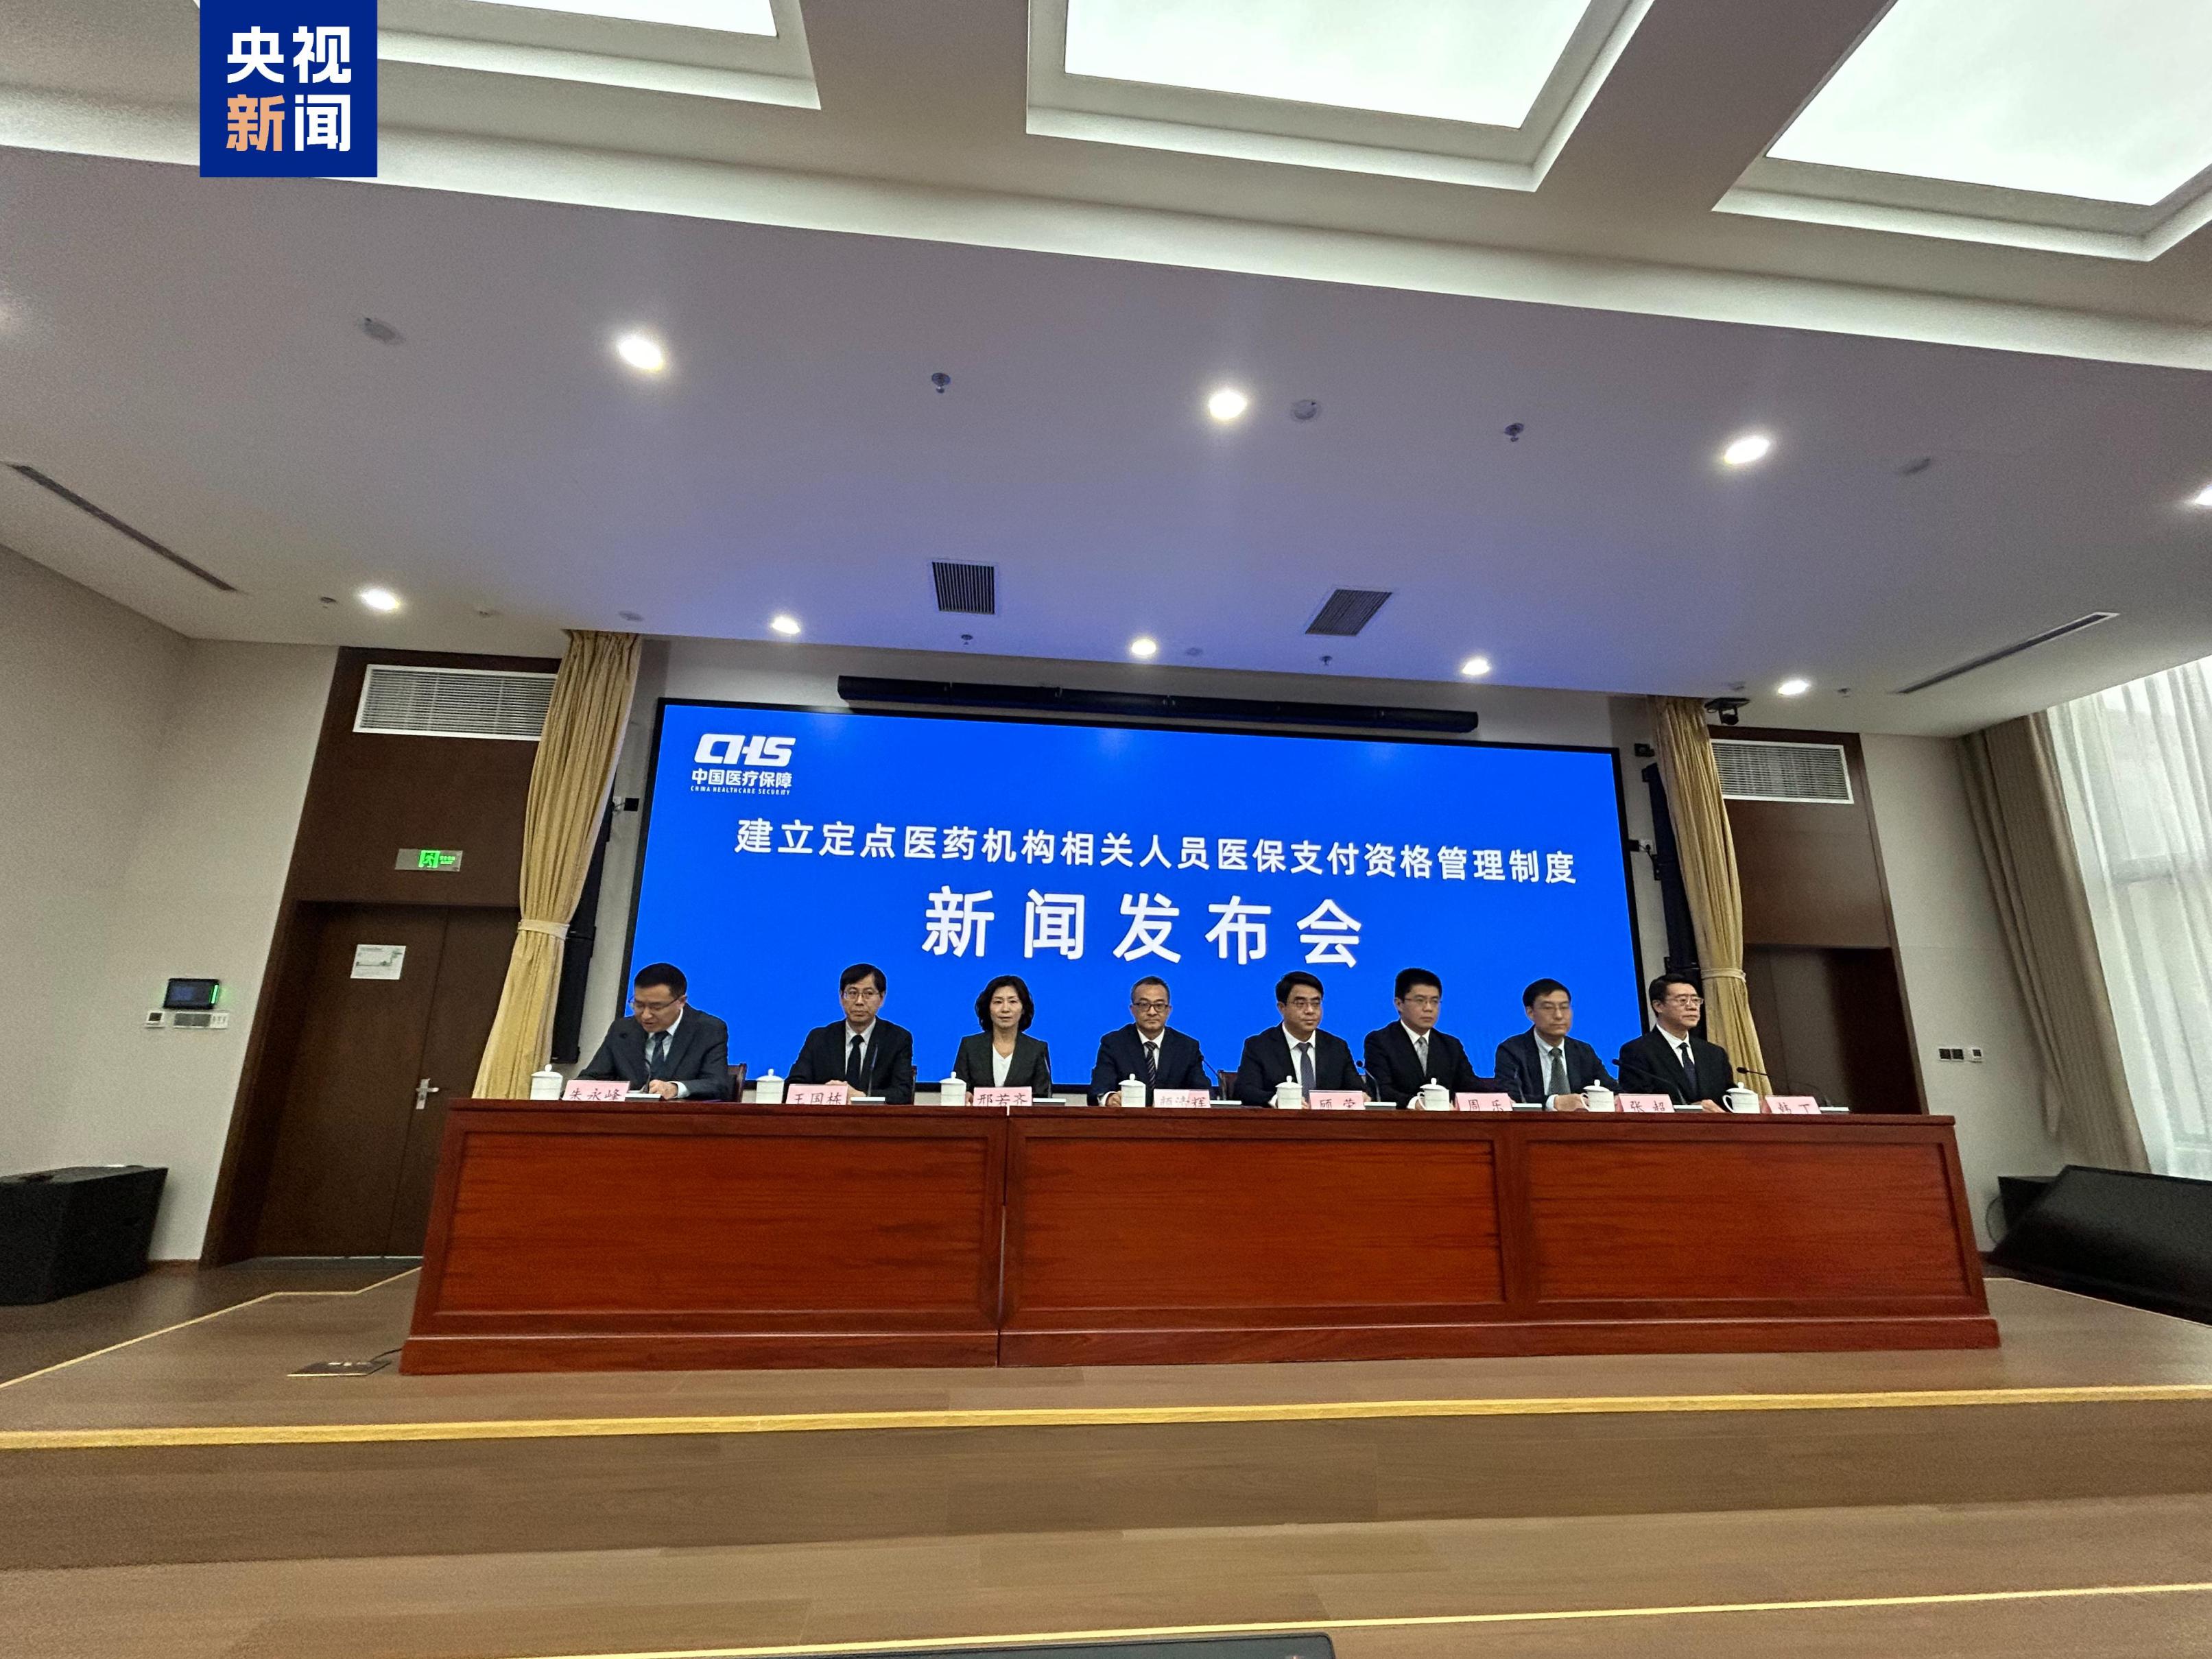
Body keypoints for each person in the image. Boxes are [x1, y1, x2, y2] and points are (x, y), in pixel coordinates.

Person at [577, 962, 729, 1099]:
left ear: (681, 1002)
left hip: (681, 1117)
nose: (646, 1015)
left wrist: (675, 1088)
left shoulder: (708, 1029)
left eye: (656, 1007)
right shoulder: (622, 1029)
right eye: (639, 1005)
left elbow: (717, 1084)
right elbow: (591, 1077)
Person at [1362, 967, 1496, 1106]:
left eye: (1435, 1001)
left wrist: (1499, 1097)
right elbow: (1381, 1090)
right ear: (1399, 1004)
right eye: (1420, 1001)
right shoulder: (1380, 1041)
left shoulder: (1450, 1045)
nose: (1429, 1008)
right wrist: (1416, 1103)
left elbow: (1470, 1086)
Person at [788, 962, 915, 1102]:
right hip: (828, 1115)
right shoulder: (819, 1038)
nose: (859, 1002)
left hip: (875, 1116)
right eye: (852, 993)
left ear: (882, 998)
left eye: (868, 994)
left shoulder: (897, 1039)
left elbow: (903, 1093)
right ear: (841, 997)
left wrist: (861, 1096)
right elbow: (793, 1086)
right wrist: (828, 1093)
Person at [1235, 971, 1361, 1105]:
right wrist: (1279, 1101)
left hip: (1327, 1118)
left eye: (1316, 1004)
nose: (1310, 1011)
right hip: (1280, 1118)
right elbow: (1245, 1091)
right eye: (1300, 1004)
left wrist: (1362, 1096)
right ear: (1282, 1008)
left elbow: (1357, 1089)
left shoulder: (1337, 1047)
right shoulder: (1259, 1046)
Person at [1492, 977, 1616, 1110]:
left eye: (1564, 1007)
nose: (1559, 1015)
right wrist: (1554, 1102)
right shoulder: (1513, 1050)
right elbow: (1510, 1098)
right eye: (1548, 1008)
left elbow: (1613, 1090)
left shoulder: (1583, 1051)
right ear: (1530, 1012)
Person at [1617, 973, 1731, 1112]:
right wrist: (1688, 1110)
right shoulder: (1637, 1051)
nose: (1692, 1007)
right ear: (1658, 1006)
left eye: (1696, 1000)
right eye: (1682, 1000)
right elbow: (1638, 1103)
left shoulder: (1714, 1053)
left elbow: (1728, 1097)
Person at [1089, 975, 1211, 1104]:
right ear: (1133, 1010)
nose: (1152, 1012)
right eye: (1144, 1005)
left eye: (1159, 1005)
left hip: (1172, 1117)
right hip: (1128, 1116)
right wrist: (1110, 1099)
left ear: (1168, 1010)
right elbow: (1099, 1089)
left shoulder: (1187, 1047)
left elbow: (1204, 1093)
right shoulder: (1114, 1044)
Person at [952, 973, 1054, 1094]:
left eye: (1013, 1001)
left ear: (1023, 1009)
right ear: (988, 1008)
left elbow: (1043, 1097)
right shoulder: (970, 1046)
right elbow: (957, 1091)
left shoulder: (1037, 1049)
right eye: (998, 1002)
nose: (1005, 1009)